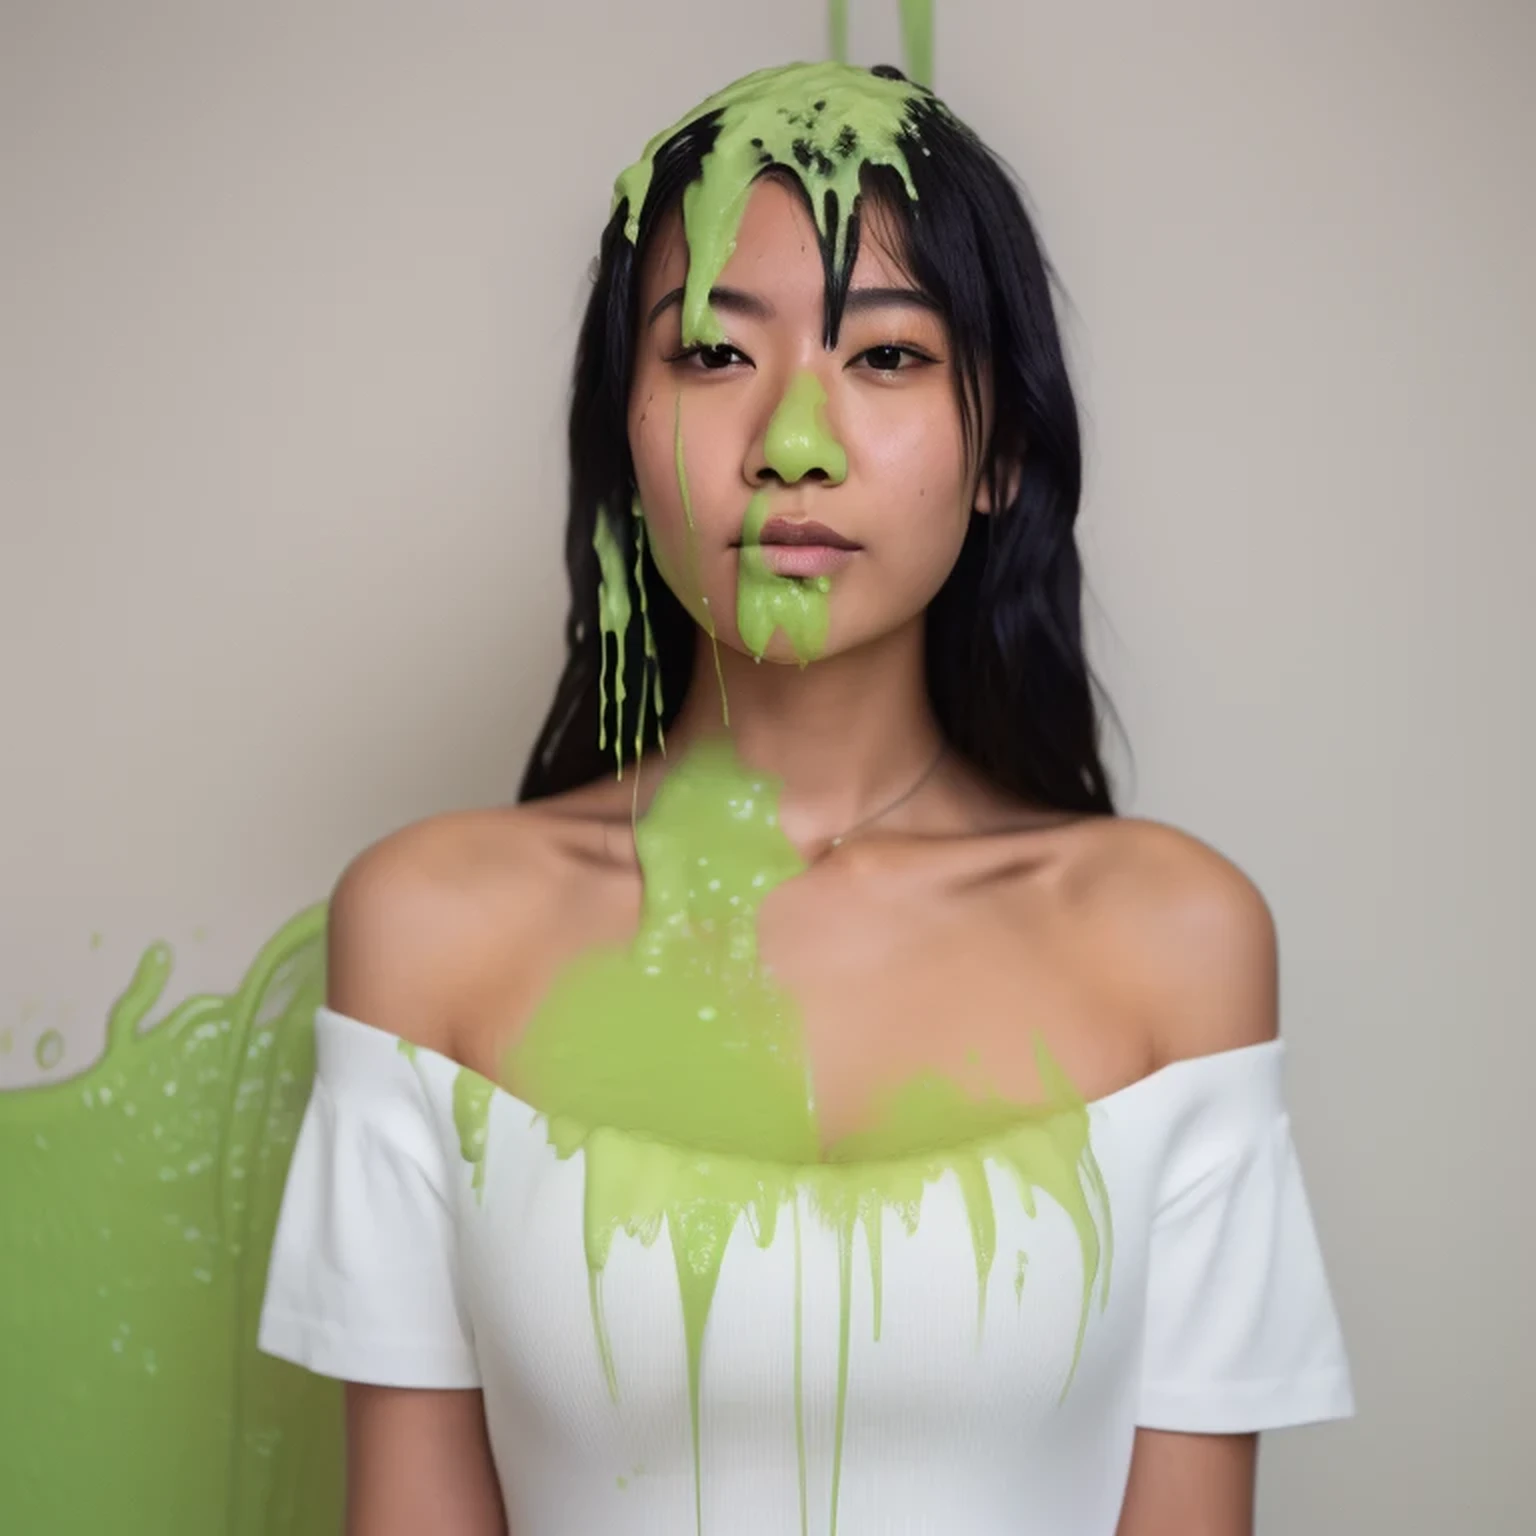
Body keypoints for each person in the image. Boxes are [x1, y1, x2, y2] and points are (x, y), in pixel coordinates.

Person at [259, 60, 1353, 1536]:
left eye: (890, 356)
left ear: (1001, 450)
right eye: (713, 353)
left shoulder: (1175, 941)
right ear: (624, 442)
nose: (793, 440)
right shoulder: (429, 930)